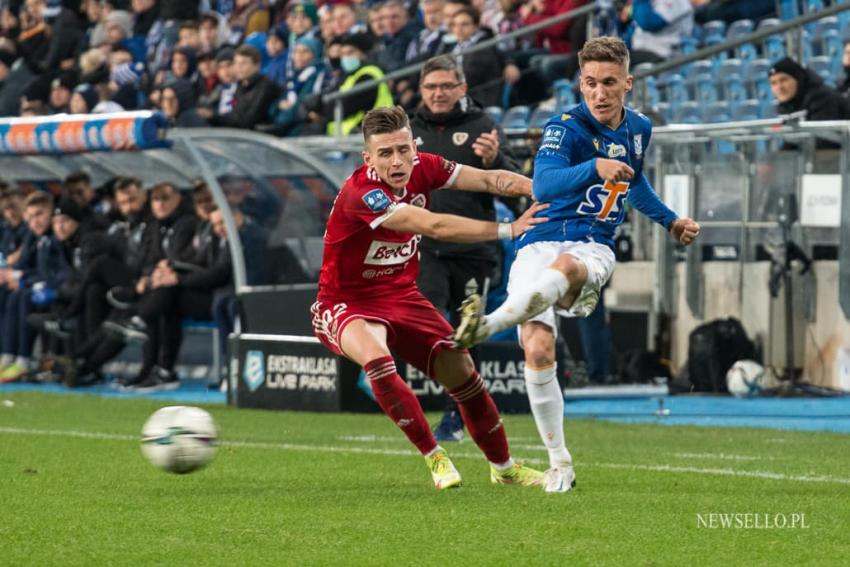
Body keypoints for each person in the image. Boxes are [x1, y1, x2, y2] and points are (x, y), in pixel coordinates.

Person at [453, 36, 701, 492]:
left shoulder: (639, 128)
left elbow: (634, 181)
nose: (599, 93)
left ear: (628, 83)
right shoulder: (564, 126)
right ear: (580, 84)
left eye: (609, 83)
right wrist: (596, 167)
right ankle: (559, 461)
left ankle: (484, 326)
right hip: (537, 242)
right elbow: (544, 186)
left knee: (566, 268)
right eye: (590, 83)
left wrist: (669, 221)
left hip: (591, 246)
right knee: (538, 350)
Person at [310, 105, 548, 490]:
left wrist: (537, 188)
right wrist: (509, 229)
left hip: (402, 296)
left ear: (414, 148)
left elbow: (489, 180)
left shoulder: (427, 166)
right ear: (368, 158)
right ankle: (435, 457)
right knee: (377, 357)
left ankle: (505, 469)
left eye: (404, 150)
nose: (398, 161)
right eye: (385, 153)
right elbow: (433, 225)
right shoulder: (363, 194)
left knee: (463, 372)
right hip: (346, 302)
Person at [411, 54, 522, 441]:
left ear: (462, 89)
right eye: (431, 87)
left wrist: (495, 159)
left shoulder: (482, 126)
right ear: (421, 90)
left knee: (466, 331)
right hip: (424, 246)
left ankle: (457, 413)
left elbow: (513, 181)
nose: (438, 93)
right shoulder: (409, 130)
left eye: (446, 86)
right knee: (431, 319)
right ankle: (451, 400)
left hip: (474, 248)